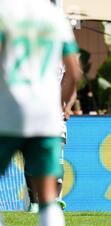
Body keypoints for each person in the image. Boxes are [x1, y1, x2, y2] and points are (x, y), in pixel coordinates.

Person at [0, 0, 81, 226]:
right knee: (49, 198)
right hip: (46, 116)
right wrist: (61, 105)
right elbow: (74, 72)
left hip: (8, 113)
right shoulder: (53, 15)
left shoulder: (4, 12)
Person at [25, 65, 77, 213]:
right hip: (32, 113)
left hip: (56, 116)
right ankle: (34, 202)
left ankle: (54, 200)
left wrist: (68, 106)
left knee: (57, 156)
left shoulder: (62, 53)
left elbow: (72, 83)